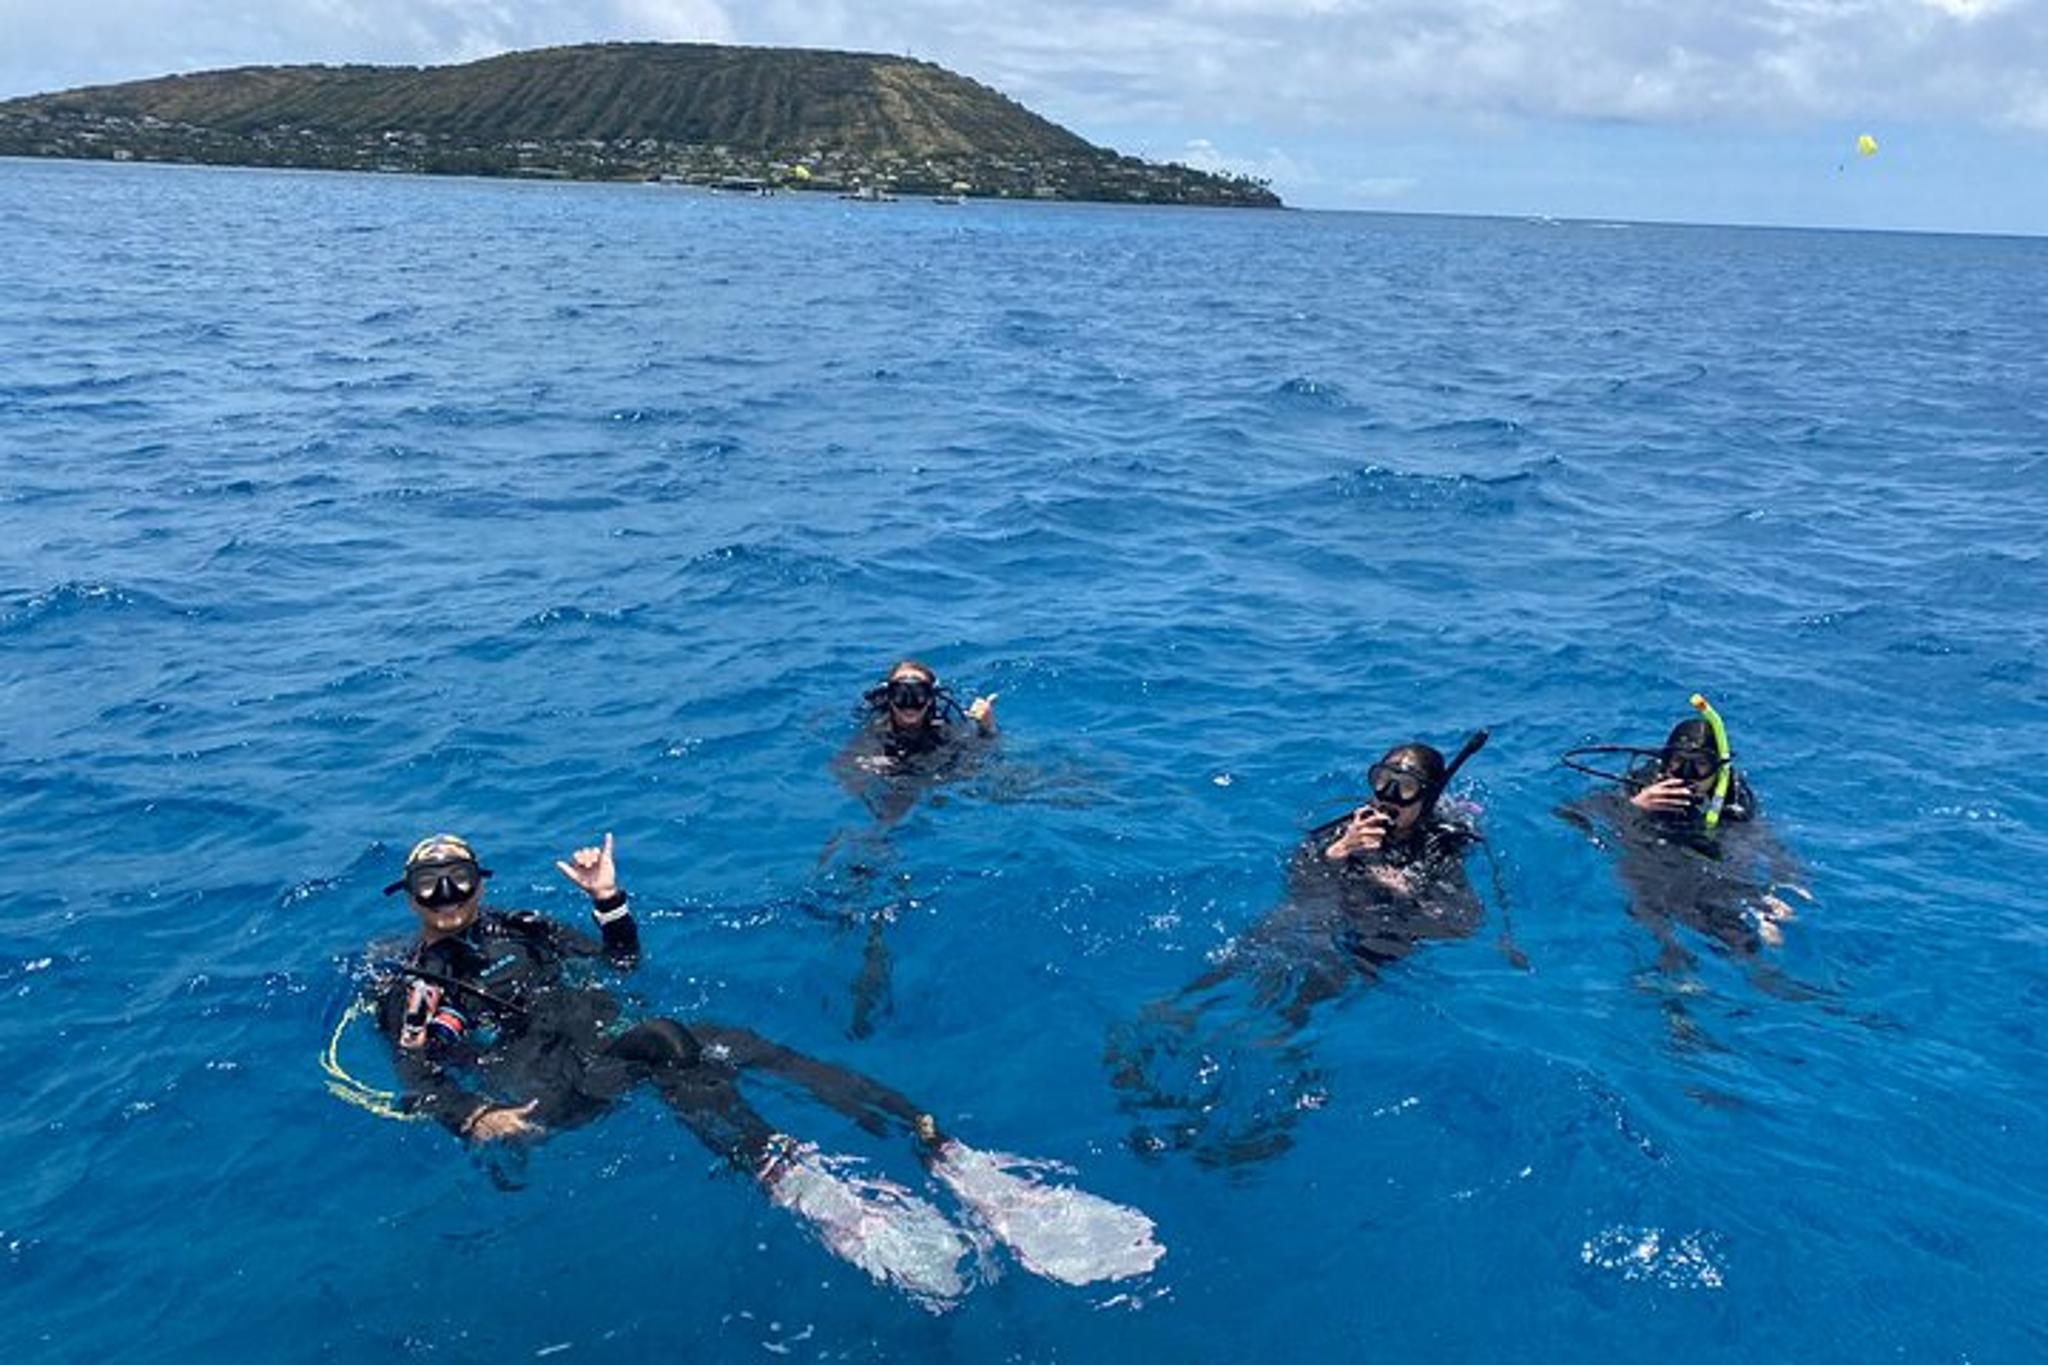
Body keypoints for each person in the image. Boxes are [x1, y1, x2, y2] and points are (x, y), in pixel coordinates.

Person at [366, 832, 1160, 1302]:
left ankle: (938, 1145)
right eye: (430, 886)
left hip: (622, 1037)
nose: (447, 897)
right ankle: (794, 1177)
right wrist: (477, 1116)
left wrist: (610, 900)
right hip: (562, 1089)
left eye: (459, 879)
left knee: (749, 1045)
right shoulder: (413, 987)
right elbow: (417, 1080)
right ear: (408, 897)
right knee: (673, 1044)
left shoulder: (528, 929)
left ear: (480, 881)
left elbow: (623, 965)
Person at [1107, 737, 1487, 1166]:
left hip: (1374, 934)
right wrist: (1336, 854)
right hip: (1317, 911)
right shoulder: (1346, 830)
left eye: (1404, 789)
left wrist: (1405, 892)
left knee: (1305, 993)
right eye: (1381, 782)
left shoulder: (1439, 850)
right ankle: (1179, 1012)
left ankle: (1275, 1080)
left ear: (1429, 797)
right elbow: (1298, 881)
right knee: (1266, 939)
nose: (1387, 799)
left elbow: (1462, 923)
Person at [822, 659, 999, 1036]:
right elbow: (841, 773)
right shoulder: (873, 735)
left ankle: (875, 952)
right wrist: (870, 772)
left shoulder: (947, 732)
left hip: (921, 799)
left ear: (931, 699)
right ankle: (855, 942)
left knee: (892, 870)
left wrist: (987, 727)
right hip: (884, 806)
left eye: (917, 695)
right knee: (860, 860)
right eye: (900, 694)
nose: (909, 704)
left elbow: (982, 763)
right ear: (887, 698)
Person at [1560, 706, 1809, 961]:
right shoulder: (1642, 785)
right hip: (1652, 852)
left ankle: (1760, 940)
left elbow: (1762, 842)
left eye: (1701, 766)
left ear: (1718, 770)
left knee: (1740, 940)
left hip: (1706, 861)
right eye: (1678, 764)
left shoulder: (1732, 799)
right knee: (1652, 914)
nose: (1688, 776)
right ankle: (1669, 974)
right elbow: (1571, 814)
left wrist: (1783, 884)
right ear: (1664, 763)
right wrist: (1634, 807)